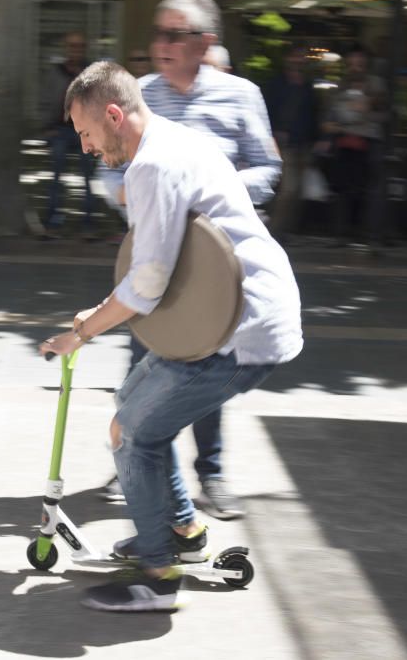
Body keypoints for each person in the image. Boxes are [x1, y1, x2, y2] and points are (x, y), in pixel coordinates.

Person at [41, 61, 302, 612]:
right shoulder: (180, 140)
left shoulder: (152, 166)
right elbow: (161, 264)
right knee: (127, 415)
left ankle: (157, 576)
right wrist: (107, 309)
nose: (88, 149)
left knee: (135, 433)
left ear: (114, 115)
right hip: (231, 316)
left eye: (87, 134)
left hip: (235, 329)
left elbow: (150, 282)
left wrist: (82, 333)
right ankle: (183, 531)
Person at [99, 0, 282, 520]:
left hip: (217, 265)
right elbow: (110, 170)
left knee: (208, 366)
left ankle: (212, 474)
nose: (161, 45)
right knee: (144, 361)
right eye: (157, 34)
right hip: (155, 254)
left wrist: (206, 192)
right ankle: (131, 456)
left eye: (174, 35)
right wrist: (126, 191)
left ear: (206, 43)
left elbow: (268, 171)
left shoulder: (241, 95)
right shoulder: (140, 97)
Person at [319, 45, 386, 245]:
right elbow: (329, 114)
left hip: (368, 142)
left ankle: (367, 233)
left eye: (360, 62)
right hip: (344, 142)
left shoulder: (377, 84)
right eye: (352, 62)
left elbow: (386, 115)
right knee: (342, 189)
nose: (356, 66)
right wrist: (332, 125)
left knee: (367, 189)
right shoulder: (340, 85)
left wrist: (366, 112)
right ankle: (341, 232)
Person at [38, 31, 94, 239]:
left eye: (79, 46)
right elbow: (45, 99)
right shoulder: (55, 72)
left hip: (86, 132)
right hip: (60, 130)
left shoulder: (93, 73)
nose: (75, 50)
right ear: (65, 49)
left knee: (87, 177)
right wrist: (46, 128)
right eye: (72, 46)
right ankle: (53, 221)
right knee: (56, 176)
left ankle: (88, 223)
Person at [264, 44, 319, 241]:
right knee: (289, 189)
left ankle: (285, 230)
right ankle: (274, 231)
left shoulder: (306, 85)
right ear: (287, 59)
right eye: (295, 56)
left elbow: (312, 114)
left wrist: (315, 139)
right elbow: (267, 112)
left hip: (302, 142)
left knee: (297, 191)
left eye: (301, 57)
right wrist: (273, 134)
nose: (299, 60)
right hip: (283, 143)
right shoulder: (277, 84)